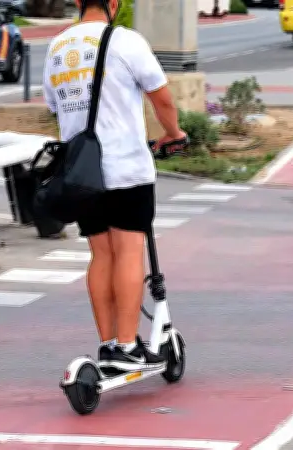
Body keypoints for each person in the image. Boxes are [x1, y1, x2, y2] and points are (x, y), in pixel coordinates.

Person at [42, 0, 187, 373]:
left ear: (78, 3)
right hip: (125, 168)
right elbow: (162, 98)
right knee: (128, 252)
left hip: (82, 174)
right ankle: (127, 346)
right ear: (113, 4)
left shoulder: (57, 47)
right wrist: (174, 133)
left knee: (101, 255)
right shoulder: (125, 41)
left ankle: (108, 344)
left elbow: (54, 107)